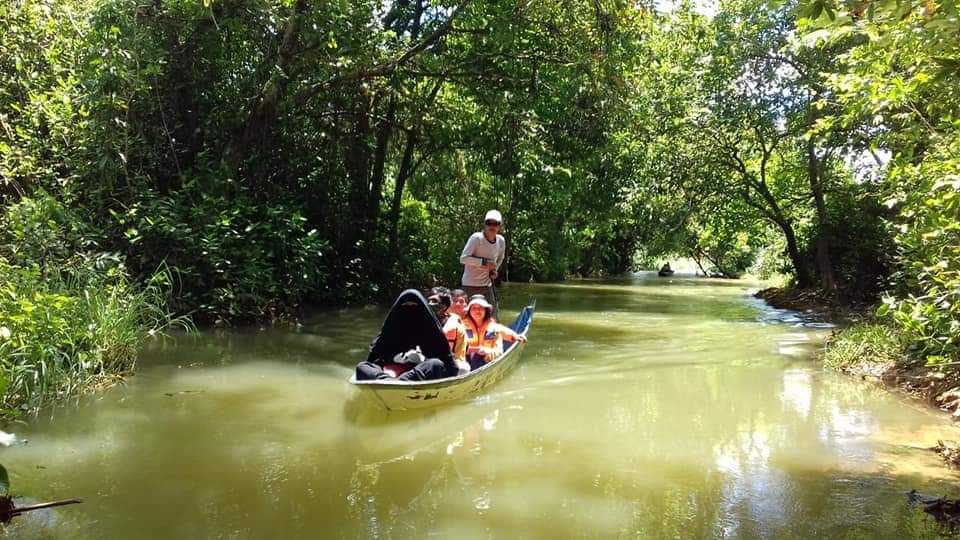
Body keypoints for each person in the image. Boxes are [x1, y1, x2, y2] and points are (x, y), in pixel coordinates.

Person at [355, 289, 458, 381]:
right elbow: (375, 360)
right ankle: (389, 382)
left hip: (421, 370)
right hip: (393, 371)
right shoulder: (391, 329)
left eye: (415, 307)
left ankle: (402, 382)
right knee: (362, 366)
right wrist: (393, 359)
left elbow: (449, 364)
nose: (410, 312)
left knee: (435, 364)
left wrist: (422, 359)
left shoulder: (431, 330)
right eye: (405, 307)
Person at [459, 209, 505, 317]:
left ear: (499, 226)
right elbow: (463, 258)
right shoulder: (477, 238)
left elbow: (500, 258)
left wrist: (495, 270)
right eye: (489, 223)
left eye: (496, 224)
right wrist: (484, 262)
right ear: (485, 224)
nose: (492, 226)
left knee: (492, 316)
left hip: (487, 285)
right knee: (468, 316)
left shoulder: (501, 241)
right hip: (470, 285)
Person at [462, 296, 526, 370]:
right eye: (474, 308)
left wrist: (516, 336)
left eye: (481, 308)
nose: (477, 311)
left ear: (486, 310)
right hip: (465, 361)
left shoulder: (494, 327)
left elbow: (499, 350)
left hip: (487, 361)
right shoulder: (461, 326)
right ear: (469, 311)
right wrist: (471, 350)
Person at [427, 287, 470, 376]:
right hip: (424, 362)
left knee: (463, 368)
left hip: (448, 365)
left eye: (434, 301)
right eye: (428, 301)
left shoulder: (456, 325)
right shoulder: (421, 320)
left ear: (444, 306)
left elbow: (459, 356)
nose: (430, 304)